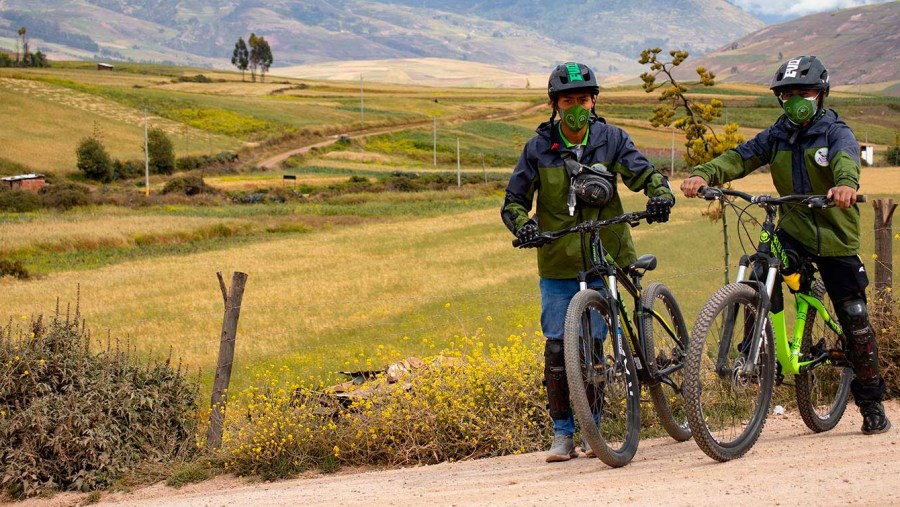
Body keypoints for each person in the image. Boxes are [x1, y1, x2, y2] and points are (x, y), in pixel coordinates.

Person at [681, 55, 891, 435]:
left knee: (855, 317)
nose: (796, 99)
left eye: (804, 92)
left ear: (821, 94)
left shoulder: (835, 133)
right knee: (759, 268)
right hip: (792, 229)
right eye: (788, 93)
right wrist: (702, 173)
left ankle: (871, 401)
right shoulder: (776, 135)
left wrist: (845, 186)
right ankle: (761, 351)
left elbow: (847, 163)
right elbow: (739, 157)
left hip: (835, 237)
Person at [502, 61, 675, 462]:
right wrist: (522, 226)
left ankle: (592, 429)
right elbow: (513, 201)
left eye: (583, 99)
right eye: (568, 100)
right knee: (559, 351)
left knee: (594, 346)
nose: (576, 106)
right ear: (555, 105)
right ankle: (562, 435)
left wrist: (659, 193)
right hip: (559, 260)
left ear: (594, 101)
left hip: (608, 254)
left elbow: (643, 173)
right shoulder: (538, 148)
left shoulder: (611, 138)